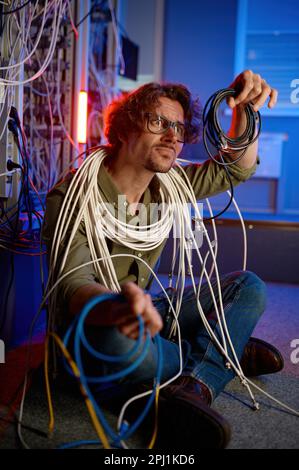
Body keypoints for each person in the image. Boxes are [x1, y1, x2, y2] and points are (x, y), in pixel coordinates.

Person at [42, 70, 284, 449]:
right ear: (123, 128)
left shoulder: (168, 185)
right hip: (96, 324)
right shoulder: (71, 196)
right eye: (158, 122)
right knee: (121, 346)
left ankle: (198, 380)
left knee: (247, 287)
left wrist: (245, 110)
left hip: (153, 310)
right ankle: (223, 350)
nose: (174, 136)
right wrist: (120, 305)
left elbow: (235, 168)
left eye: (179, 127)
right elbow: (74, 286)